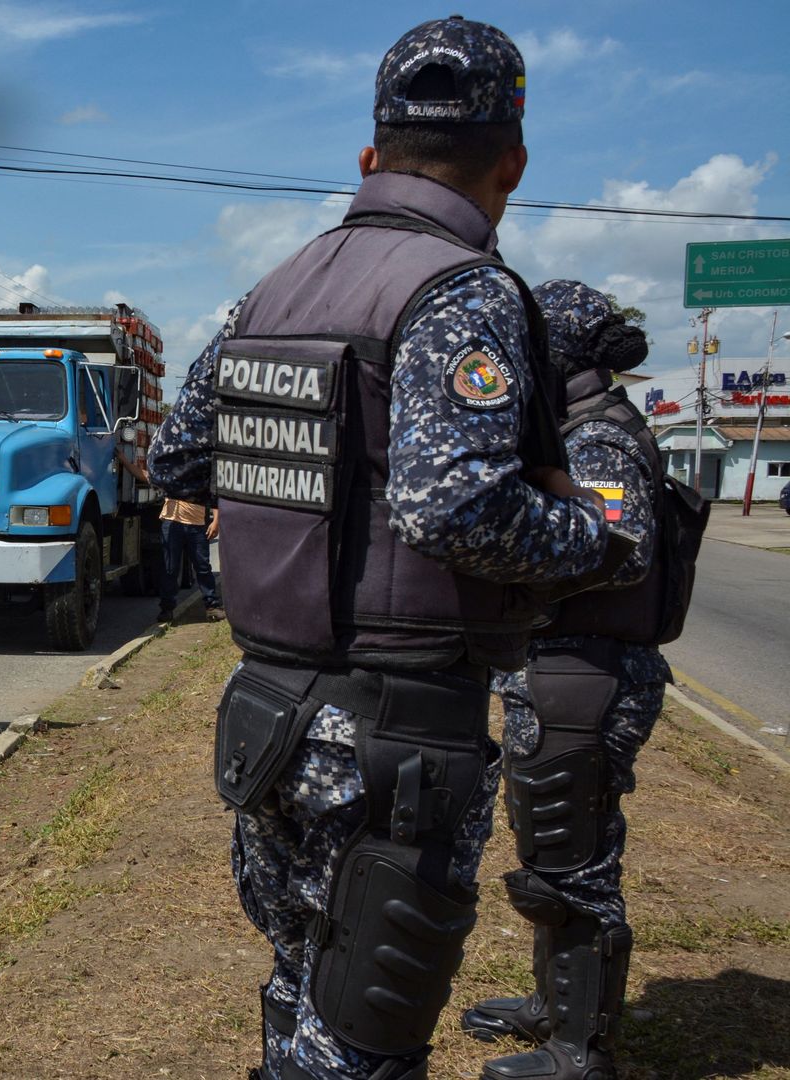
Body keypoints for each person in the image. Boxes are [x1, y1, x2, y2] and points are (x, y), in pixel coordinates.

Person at [147, 17, 623, 1080]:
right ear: (513, 162)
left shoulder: (270, 291)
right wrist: (593, 536)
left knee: (300, 1002)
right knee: (362, 1036)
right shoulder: (461, 290)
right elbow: (454, 510)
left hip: (268, 714)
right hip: (391, 733)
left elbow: (177, 464)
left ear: (369, 156)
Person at [460, 282, 668, 1080]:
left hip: (587, 672)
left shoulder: (598, 438)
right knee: (550, 848)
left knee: (574, 857)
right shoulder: (575, 428)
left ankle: (582, 1051)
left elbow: (623, 551)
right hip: (560, 669)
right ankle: (553, 1007)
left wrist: (506, 547)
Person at [156, 495, 220, 623]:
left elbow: (213, 497)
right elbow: (150, 477)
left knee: (203, 567)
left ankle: (212, 606)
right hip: (172, 523)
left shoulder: (201, 476)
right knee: (170, 568)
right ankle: (167, 609)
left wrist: (216, 522)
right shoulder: (171, 476)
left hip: (197, 526)